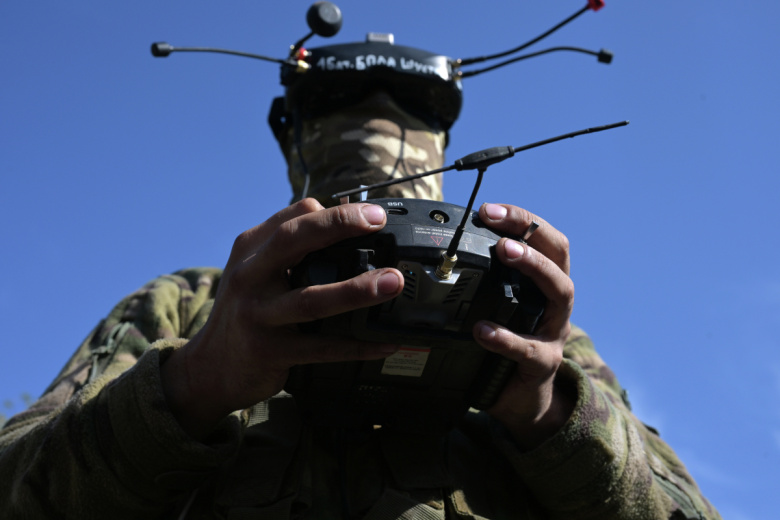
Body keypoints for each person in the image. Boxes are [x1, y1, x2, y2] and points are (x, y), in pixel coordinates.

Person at [0, 33, 720, 519]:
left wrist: (548, 411)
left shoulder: (531, 333)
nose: (376, 130)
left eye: (407, 112)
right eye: (340, 110)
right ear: (299, 145)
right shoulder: (193, 306)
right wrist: (194, 383)